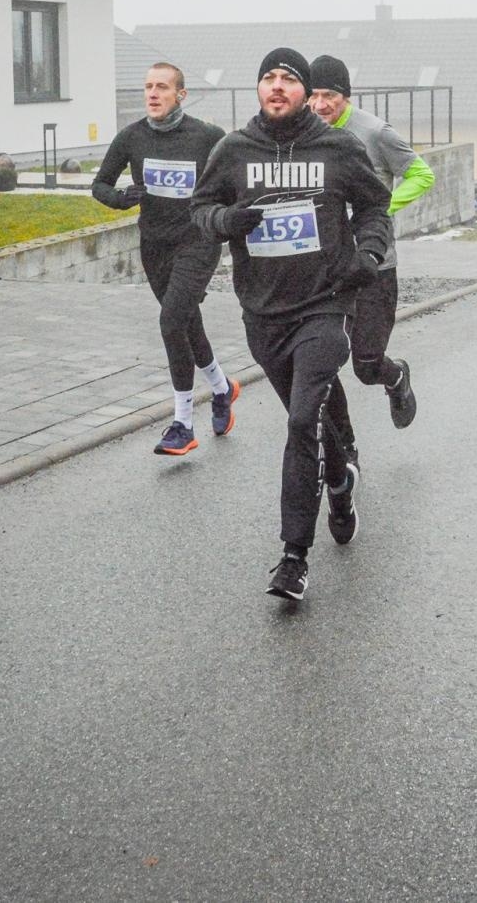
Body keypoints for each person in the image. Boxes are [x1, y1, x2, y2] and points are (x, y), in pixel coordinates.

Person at [191, 48, 393, 602]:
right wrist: (225, 220)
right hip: (263, 312)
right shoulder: (234, 150)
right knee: (309, 418)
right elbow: (200, 209)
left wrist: (368, 256)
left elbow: (376, 206)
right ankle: (340, 481)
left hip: (325, 303)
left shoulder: (337, 146)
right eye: (268, 78)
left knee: (302, 419)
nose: (277, 86)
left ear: (306, 92)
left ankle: (293, 558)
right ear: (258, 89)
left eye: (288, 79)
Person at [92, 62, 237, 456]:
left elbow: (234, 181)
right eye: (148, 87)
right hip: (154, 245)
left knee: (171, 320)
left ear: (181, 95)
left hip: (197, 243)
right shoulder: (132, 137)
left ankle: (183, 424)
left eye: (162, 87)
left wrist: (225, 216)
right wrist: (120, 199)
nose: (153, 94)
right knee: (186, 323)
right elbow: (99, 184)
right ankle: (223, 390)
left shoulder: (207, 137)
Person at [307, 54, 432, 433]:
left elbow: (421, 174)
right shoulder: (308, 132)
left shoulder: (375, 132)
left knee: (365, 364)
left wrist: (376, 206)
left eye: (329, 95)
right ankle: (330, 442)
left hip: (375, 264)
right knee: (319, 357)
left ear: (345, 96)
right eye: (313, 95)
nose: (320, 104)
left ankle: (395, 378)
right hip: (325, 265)